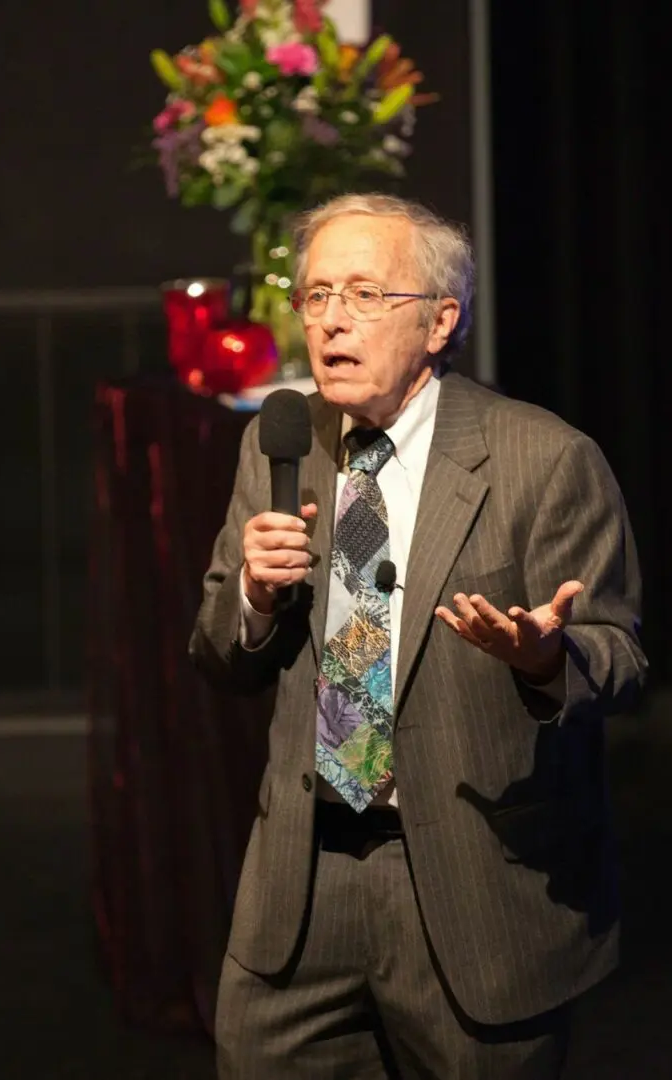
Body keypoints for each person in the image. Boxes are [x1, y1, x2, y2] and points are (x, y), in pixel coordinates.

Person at [190, 193, 648, 1079]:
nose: (331, 322)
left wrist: (547, 658)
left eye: (364, 295)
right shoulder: (278, 446)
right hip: (303, 883)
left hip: (473, 883)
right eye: (316, 295)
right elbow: (217, 649)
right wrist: (251, 592)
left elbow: (619, 657)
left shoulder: (543, 459)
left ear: (440, 321)